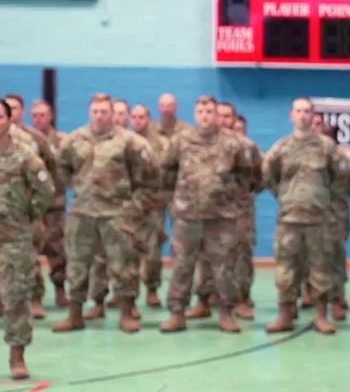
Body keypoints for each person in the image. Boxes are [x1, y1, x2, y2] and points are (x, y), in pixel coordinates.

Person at [52, 94, 157, 334]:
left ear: (112, 114)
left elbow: (149, 176)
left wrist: (134, 204)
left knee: (123, 264)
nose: (99, 116)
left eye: (104, 112)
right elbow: (62, 168)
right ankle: (75, 315)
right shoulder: (74, 140)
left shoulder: (130, 142)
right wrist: (78, 188)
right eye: (95, 111)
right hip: (82, 212)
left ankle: (126, 314)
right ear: (90, 113)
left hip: (117, 213)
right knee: (77, 264)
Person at [159, 95, 254, 333]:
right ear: (194, 114)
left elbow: (248, 173)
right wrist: (179, 197)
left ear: (216, 114)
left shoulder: (233, 143)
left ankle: (226, 313)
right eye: (200, 111)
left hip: (221, 217)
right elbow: (166, 170)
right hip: (187, 216)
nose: (205, 115)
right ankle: (177, 313)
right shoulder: (180, 140)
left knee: (224, 267)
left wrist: (231, 195)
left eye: (210, 111)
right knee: (182, 265)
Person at [262, 97, 346, 334]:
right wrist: (284, 195)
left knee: (320, 268)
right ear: (291, 115)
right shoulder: (281, 147)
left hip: (318, 220)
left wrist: (326, 197)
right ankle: (285, 315)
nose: (303, 115)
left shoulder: (326, 147)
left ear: (313, 116)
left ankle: (321, 315)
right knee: (286, 269)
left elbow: (342, 176)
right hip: (289, 220)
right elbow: (267, 174)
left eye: (307, 111)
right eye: (298, 111)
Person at [186, 102, 262, 320]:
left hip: (239, 212)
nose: (223, 120)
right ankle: (204, 300)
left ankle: (242, 300)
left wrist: (243, 196)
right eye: (220, 115)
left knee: (241, 255)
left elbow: (262, 176)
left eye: (228, 116)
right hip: (209, 211)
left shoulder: (246, 146)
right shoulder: (203, 144)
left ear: (234, 119)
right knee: (206, 256)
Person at [0, 99, 55, 379]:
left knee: (16, 297)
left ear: (8, 120)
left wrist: (29, 215)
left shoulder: (24, 155)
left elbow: (46, 188)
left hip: (13, 238)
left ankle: (17, 356)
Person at [5, 94, 63, 320]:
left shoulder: (33, 139)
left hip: (26, 210)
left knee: (33, 253)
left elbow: (51, 169)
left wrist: (39, 204)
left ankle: (37, 297)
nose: (12, 112)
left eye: (16, 108)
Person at [321, 123, 350, 321]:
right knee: (313, 257)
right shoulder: (314, 158)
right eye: (324, 135)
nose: (327, 139)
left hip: (338, 215)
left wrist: (343, 195)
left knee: (336, 258)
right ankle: (312, 295)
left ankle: (338, 299)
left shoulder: (343, 159)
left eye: (330, 136)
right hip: (316, 215)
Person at [29, 100, 69, 308]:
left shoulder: (63, 140)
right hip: (31, 205)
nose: (38, 119)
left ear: (50, 116)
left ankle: (60, 289)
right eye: (34, 115)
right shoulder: (24, 141)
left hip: (54, 204)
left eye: (42, 115)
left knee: (57, 247)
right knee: (30, 248)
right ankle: (35, 296)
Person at [130, 104, 170, 307]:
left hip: (153, 205)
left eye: (141, 117)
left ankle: (152, 288)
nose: (137, 121)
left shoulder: (162, 144)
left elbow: (167, 172)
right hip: (129, 205)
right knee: (127, 252)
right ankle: (128, 293)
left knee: (153, 251)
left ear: (149, 118)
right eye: (134, 117)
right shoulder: (124, 142)